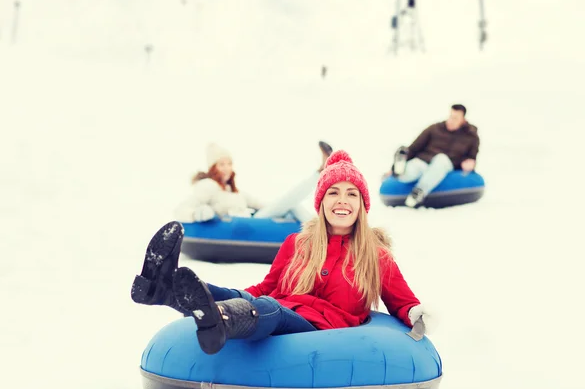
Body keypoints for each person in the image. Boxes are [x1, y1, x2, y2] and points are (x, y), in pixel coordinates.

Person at [131, 151, 432, 355]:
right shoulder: (297, 243)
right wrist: (233, 295)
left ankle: (220, 319)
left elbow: (403, 302)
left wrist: (416, 315)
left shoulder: (375, 256)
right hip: (278, 305)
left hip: (320, 329)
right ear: (321, 202)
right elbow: (266, 287)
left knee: (269, 309)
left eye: (351, 194)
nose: (342, 201)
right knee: (252, 298)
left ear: (362, 206)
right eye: (333, 192)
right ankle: (161, 289)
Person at [174, 141, 333, 223]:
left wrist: (280, 206)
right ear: (213, 168)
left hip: (251, 221)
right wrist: (196, 214)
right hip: (241, 225)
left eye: (229, 164)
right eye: (221, 164)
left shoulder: (233, 190)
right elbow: (181, 209)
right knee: (289, 202)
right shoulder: (208, 186)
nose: (227, 169)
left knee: (292, 205)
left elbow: (261, 204)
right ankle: (320, 173)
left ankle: (320, 229)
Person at [388, 104, 480, 208]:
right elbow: (414, 148)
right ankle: (399, 170)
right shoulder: (434, 129)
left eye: (455, 118)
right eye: (450, 116)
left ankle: (418, 192)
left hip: (447, 164)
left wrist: (470, 163)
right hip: (424, 160)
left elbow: (472, 157)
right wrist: (393, 167)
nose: (450, 120)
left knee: (441, 160)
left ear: (463, 119)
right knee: (414, 169)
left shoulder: (471, 136)